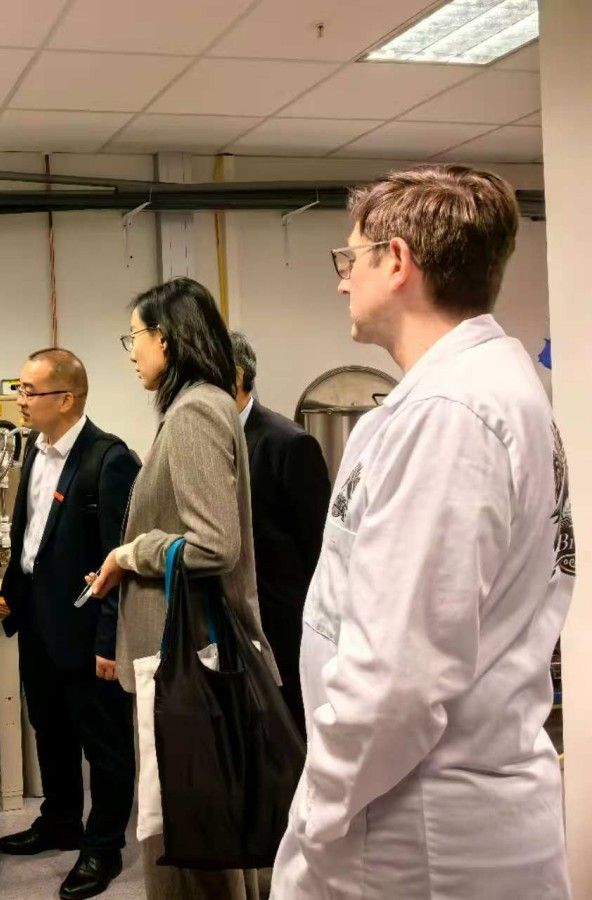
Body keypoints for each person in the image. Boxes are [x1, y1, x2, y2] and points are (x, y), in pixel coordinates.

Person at [271, 164, 575, 898]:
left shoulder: (450, 415)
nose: (343, 282)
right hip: (433, 801)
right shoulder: (481, 392)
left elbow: (397, 678)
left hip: (414, 829)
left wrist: (319, 806)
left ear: (397, 261)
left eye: (350, 259)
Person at [87, 277, 277, 900]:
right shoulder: (201, 406)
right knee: (198, 826)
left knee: (186, 834)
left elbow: (215, 544)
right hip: (181, 652)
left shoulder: (194, 410)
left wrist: (131, 552)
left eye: (135, 338)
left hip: (183, 659)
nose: (132, 353)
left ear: (166, 338)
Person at [0, 348, 139, 899]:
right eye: (20, 388)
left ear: (67, 398)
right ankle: (60, 821)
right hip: (39, 622)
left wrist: (109, 641)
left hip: (86, 633)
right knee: (50, 730)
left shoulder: (109, 460)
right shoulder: (35, 452)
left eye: (29, 391)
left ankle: (103, 847)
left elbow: (120, 562)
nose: (20, 400)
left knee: (104, 744)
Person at [230, 331, 331, 737]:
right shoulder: (207, 442)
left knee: (287, 740)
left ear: (236, 376)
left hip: (282, 631)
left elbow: (318, 548)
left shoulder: (289, 444)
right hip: (227, 628)